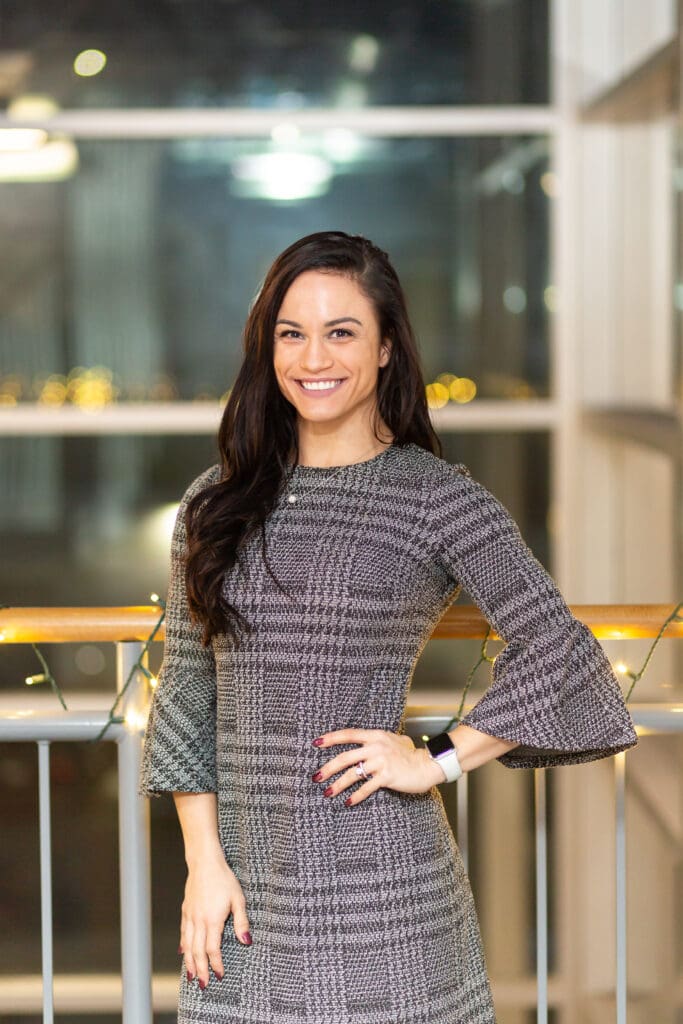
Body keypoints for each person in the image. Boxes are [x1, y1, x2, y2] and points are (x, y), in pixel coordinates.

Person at [139, 230, 638, 1024]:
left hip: (386, 891)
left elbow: (563, 652)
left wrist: (436, 758)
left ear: (384, 351)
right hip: (239, 894)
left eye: (341, 333)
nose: (313, 358)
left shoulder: (436, 496)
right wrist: (203, 861)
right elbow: (188, 694)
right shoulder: (215, 501)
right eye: (291, 333)